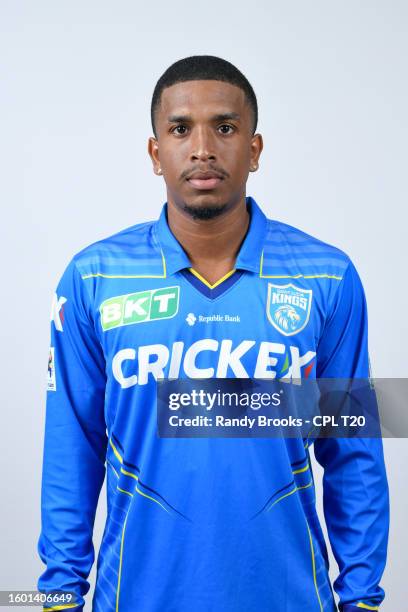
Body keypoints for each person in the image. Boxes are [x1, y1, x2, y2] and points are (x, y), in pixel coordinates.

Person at [37, 55, 389, 612]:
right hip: (136, 599)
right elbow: (72, 444)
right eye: (180, 129)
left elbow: (353, 450)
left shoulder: (328, 275)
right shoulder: (93, 278)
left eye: (224, 128)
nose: (202, 147)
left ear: (254, 148)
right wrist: (56, 597)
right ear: (156, 153)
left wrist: (363, 597)